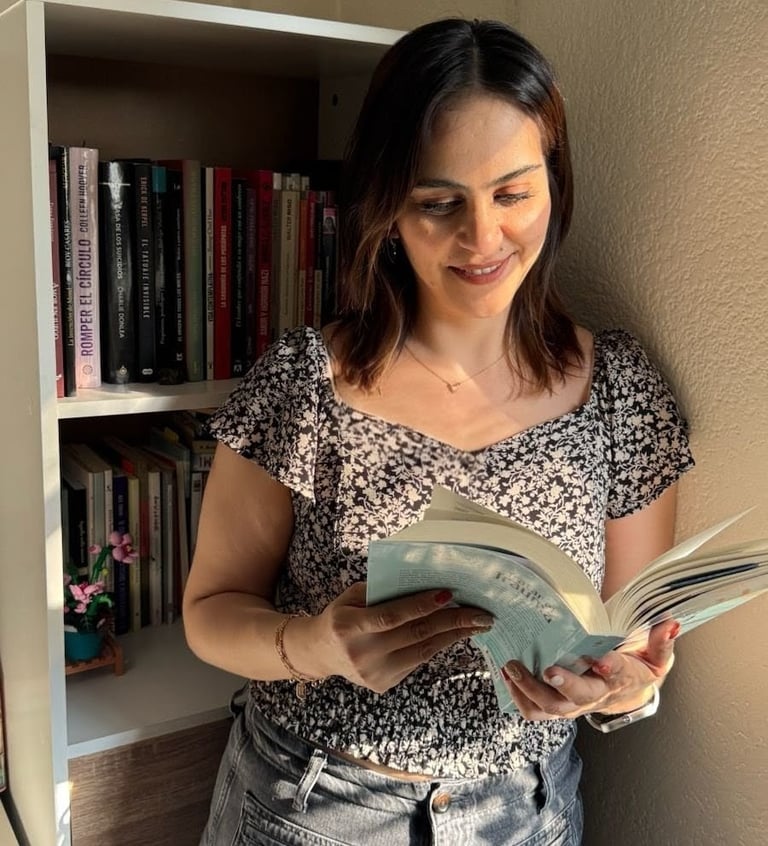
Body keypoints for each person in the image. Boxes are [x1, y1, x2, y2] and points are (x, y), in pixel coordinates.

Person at [184, 17, 694, 846]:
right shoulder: (307, 381)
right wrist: (315, 645)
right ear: (387, 207)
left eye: (513, 193)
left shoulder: (620, 390)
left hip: (525, 811)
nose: (484, 238)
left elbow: (630, 645)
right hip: (315, 802)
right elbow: (208, 614)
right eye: (438, 202)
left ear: (554, 184)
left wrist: (618, 689)